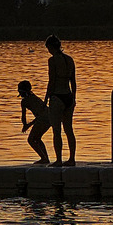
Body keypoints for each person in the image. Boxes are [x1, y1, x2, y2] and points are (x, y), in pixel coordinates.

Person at [43, 35, 76, 167]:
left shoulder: (52, 60)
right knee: (69, 130)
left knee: (57, 130)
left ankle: (58, 160)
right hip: (68, 97)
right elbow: (73, 81)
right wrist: (74, 98)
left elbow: (51, 81)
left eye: (48, 48)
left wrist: (46, 99)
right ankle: (72, 159)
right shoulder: (69, 60)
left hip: (57, 96)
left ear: (51, 47)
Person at [18, 80, 50, 164]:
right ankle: (45, 158)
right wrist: (29, 125)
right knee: (37, 138)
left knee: (31, 139)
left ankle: (44, 158)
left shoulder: (24, 101)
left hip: (43, 119)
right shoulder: (34, 97)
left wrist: (25, 125)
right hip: (49, 118)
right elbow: (40, 115)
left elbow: (23, 116)